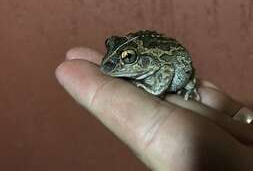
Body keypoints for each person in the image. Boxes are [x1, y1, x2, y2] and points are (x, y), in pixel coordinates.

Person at [55, 47, 253, 171]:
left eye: (128, 57)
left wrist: (153, 88)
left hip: (178, 69)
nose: (112, 60)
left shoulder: (157, 65)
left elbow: (167, 69)